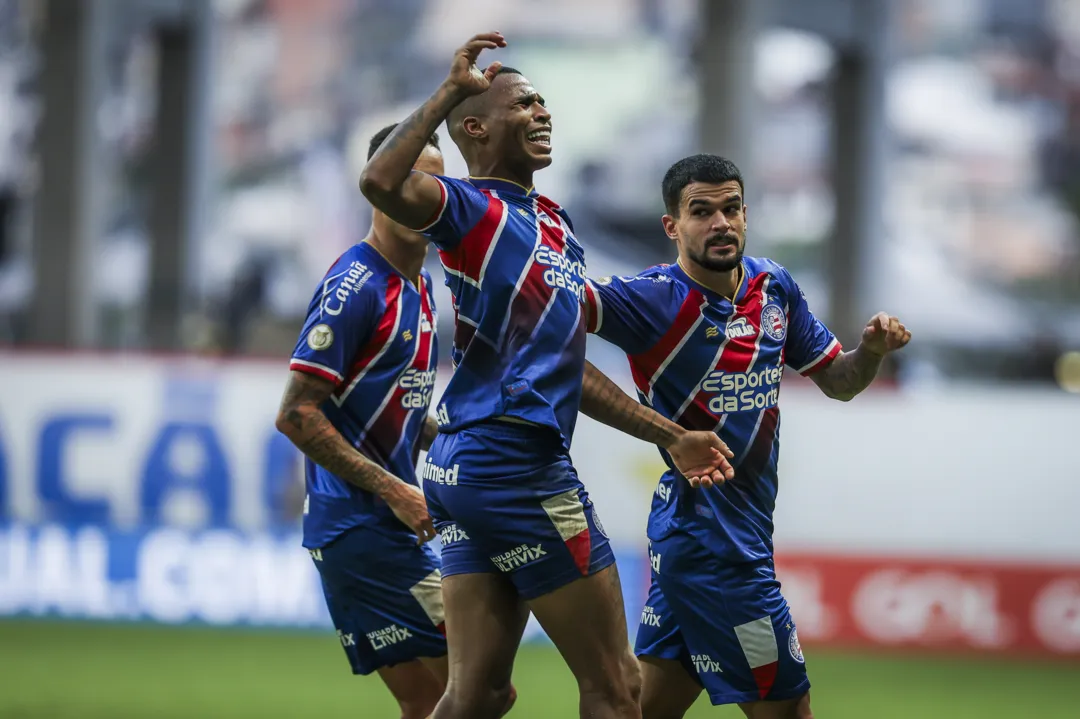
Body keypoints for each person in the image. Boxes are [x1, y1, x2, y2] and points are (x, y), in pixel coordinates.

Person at [359, 33, 734, 719]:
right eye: (524, 104)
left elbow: (571, 371)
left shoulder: (555, 225)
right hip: (515, 466)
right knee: (617, 688)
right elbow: (380, 182)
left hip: (465, 471)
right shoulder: (472, 209)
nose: (542, 112)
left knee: (477, 694)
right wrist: (448, 89)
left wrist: (671, 435)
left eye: (543, 102)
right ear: (476, 127)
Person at [582, 153, 911, 719]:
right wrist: (667, 433)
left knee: (643, 709)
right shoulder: (650, 299)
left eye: (731, 208)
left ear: (745, 213)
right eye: (701, 211)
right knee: (788, 711)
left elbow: (838, 381)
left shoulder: (773, 287)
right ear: (672, 226)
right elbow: (545, 335)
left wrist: (872, 353)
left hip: (705, 541)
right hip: (721, 558)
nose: (720, 223)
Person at [277, 125, 517, 719]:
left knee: (443, 700)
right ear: (378, 188)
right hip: (362, 528)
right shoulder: (354, 286)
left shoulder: (420, 285)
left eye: (436, 180)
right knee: (474, 692)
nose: (423, 192)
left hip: (381, 528)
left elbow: (398, 409)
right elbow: (295, 414)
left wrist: (460, 439)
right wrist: (396, 490)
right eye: (410, 176)